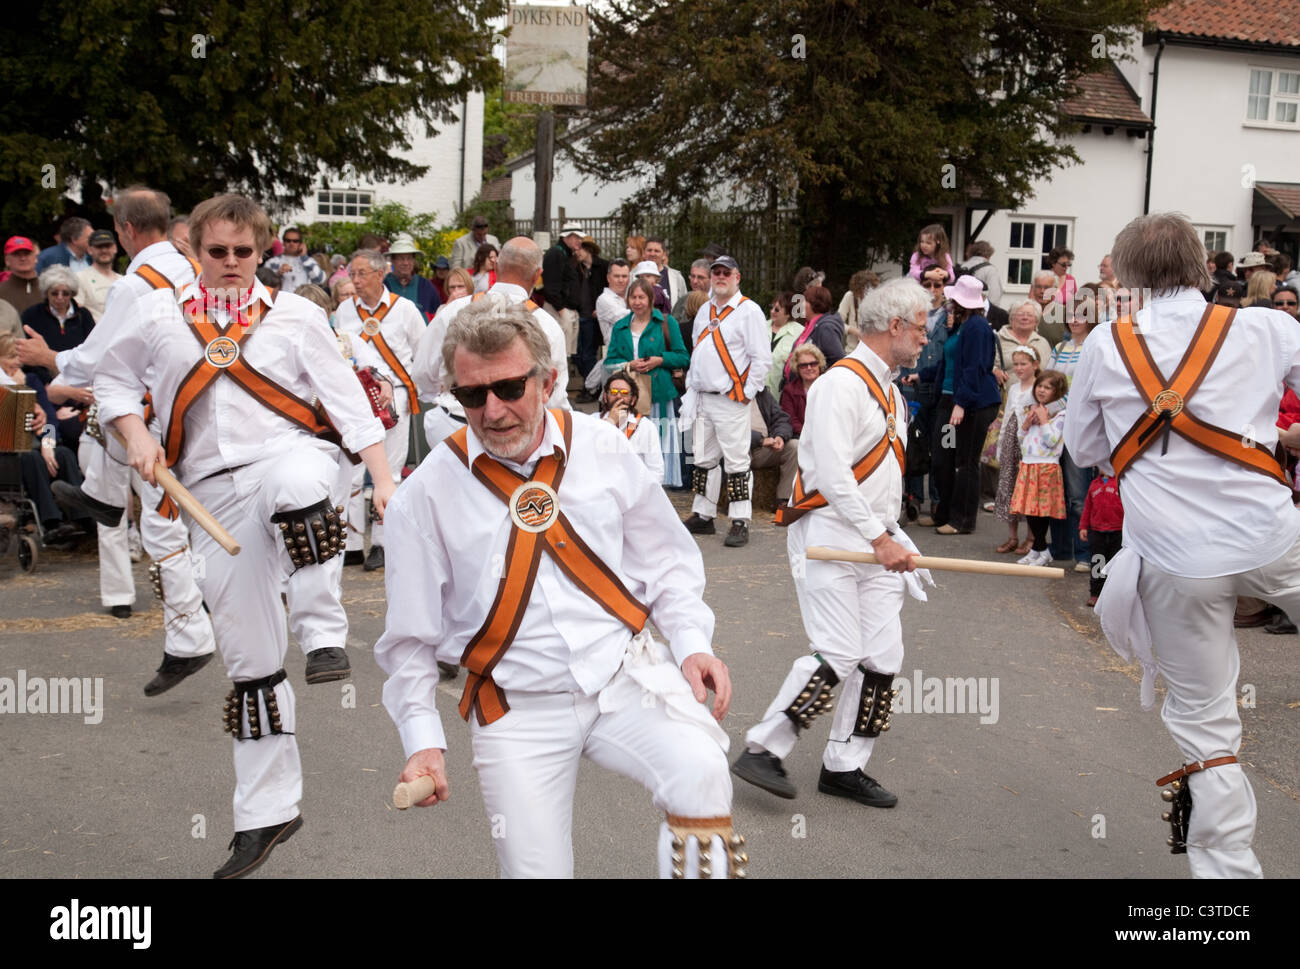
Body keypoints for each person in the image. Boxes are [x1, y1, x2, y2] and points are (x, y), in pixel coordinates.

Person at [375, 298, 743, 879]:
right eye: (472, 395)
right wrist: (422, 740)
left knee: (701, 771)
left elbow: (668, 561)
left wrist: (693, 642)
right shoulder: (423, 497)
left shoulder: (604, 448)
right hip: (516, 706)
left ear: (548, 381)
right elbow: (410, 640)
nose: (492, 411)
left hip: (624, 678)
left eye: (509, 388)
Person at [94, 193, 394, 878]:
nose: (231, 263)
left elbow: (347, 403)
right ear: (194, 250)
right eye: (217, 251)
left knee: (297, 484)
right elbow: (110, 381)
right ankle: (267, 812)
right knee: (251, 663)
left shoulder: (296, 315)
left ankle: (322, 631)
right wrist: (135, 432)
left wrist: (382, 478)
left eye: (244, 251)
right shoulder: (157, 313)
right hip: (210, 494)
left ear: (262, 252)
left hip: (290, 459)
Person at [1064, 211, 1300, 878]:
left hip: (1177, 555)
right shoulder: (1267, 325)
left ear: (1130, 277)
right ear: (1202, 266)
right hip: (1272, 533)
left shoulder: (1109, 345)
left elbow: (1083, 450)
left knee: (1206, 722)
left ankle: (1229, 885)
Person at [734, 276, 933, 807]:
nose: (925, 338)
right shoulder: (838, 385)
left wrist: (894, 535)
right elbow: (829, 473)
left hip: (876, 541)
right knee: (841, 650)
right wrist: (876, 536)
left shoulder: (893, 392)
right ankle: (763, 748)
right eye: (920, 328)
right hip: (829, 534)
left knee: (884, 658)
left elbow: (881, 482)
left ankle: (844, 766)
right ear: (894, 326)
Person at [413, 237, 570, 452]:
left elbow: (422, 373)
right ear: (537, 275)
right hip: (509, 431)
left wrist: (450, 398)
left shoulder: (452, 310)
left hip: (449, 425)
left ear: (496, 265)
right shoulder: (548, 325)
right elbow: (553, 397)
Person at [335, 248, 427, 570]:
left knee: (389, 470)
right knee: (353, 471)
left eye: (361, 274)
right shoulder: (345, 310)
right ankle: (349, 544)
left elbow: (423, 352)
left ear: (379, 274)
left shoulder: (406, 310)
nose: (356, 281)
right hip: (353, 399)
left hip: (394, 399)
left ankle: (383, 543)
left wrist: (403, 387)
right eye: (352, 275)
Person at [680, 255, 772, 548]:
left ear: (737, 277)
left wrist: (746, 393)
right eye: (716, 272)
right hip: (704, 397)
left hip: (730, 398)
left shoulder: (750, 311)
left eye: (725, 273)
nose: (720, 277)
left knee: (736, 461)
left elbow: (761, 359)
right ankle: (704, 515)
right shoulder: (705, 310)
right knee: (704, 459)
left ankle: (740, 520)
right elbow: (698, 350)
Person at [933, 275, 1001, 535]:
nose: (949, 302)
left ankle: (962, 520)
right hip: (951, 399)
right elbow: (950, 363)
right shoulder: (961, 326)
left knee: (965, 462)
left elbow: (975, 368)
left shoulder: (978, 328)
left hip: (972, 404)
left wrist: (961, 403)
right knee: (943, 458)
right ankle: (945, 514)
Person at [604, 279, 689, 487]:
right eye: (633, 297)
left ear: (651, 300)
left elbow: (683, 356)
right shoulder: (621, 326)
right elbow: (608, 362)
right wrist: (628, 364)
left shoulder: (666, 323)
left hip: (658, 391)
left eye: (642, 297)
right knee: (632, 437)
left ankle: (659, 483)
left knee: (657, 437)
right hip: (629, 391)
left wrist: (660, 360)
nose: (637, 302)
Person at [1009, 370, 1069, 565]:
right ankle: (1036, 549)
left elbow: (1052, 440)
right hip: (1029, 463)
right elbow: (1021, 439)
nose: (1042, 390)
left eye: (1047, 387)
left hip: (1046, 466)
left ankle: (1043, 549)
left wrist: (1043, 420)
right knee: (1030, 510)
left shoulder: (1060, 414)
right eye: (1040, 386)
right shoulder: (1033, 410)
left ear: (1057, 391)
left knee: (1041, 512)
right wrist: (1025, 425)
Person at [993, 346, 1040, 555]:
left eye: (1024, 364)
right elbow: (1006, 419)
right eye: (1016, 365)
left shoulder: (1037, 389)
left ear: (1035, 365)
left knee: (1028, 490)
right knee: (1008, 487)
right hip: (1011, 443)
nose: (1019, 368)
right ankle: (1012, 535)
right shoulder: (1013, 388)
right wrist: (1001, 445)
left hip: (1028, 446)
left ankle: (1032, 536)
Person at [599, 369, 663, 479]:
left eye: (624, 393)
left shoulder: (646, 427)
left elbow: (656, 470)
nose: (618, 396)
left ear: (633, 400)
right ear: (605, 397)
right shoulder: (593, 421)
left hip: (634, 490)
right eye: (613, 392)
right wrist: (610, 421)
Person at [1080, 472, 1123, 607]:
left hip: (1118, 530)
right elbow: (1087, 507)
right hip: (1097, 531)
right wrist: (1083, 526)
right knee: (1098, 562)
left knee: (1115, 565)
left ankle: (1113, 596)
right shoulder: (1094, 485)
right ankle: (1095, 594)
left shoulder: (1120, 482)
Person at [783, 285, 844, 381]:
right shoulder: (810, 325)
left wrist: (815, 377)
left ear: (814, 304)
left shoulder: (826, 328)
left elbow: (838, 360)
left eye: (804, 301)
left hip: (811, 389)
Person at [541, 223, 583, 359]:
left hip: (567, 310)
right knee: (558, 355)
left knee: (566, 355)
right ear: (566, 237)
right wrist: (561, 310)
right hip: (557, 310)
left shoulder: (566, 254)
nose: (580, 241)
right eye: (576, 237)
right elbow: (550, 286)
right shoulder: (555, 254)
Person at [994, 301, 1053, 384]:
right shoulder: (997, 339)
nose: (1025, 318)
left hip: (1036, 395)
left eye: (1029, 315)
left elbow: (1050, 371)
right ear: (1011, 319)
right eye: (1020, 314)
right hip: (1005, 395)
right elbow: (984, 365)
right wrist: (994, 371)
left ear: (1036, 321)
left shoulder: (1042, 343)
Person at [383, 234, 440, 319]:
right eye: (401, 258)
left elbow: (437, 314)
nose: (406, 263)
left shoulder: (425, 286)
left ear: (413, 260)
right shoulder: (383, 286)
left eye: (409, 258)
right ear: (392, 261)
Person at [780, 343, 825, 437]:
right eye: (803, 365)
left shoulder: (830, 386)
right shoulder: (789, 391)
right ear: (797, 368)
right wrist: (810, 435)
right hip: (801, 438)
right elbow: (791, 419)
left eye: (813, 364)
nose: (809, 368)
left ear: (819, 364)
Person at [75, 230, 122, 321]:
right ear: (90, 250)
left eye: (108, 246)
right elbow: (77, 311)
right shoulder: (80, 278)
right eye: (99, 247)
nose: (104, 250)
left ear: (115, 248)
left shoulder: (123, 280)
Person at [263, 226, 326, 292]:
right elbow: (264, 283)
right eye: (288, 240)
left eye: (295, 241)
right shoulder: (272, 262)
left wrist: (304, 257)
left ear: (300, 243)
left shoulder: (308, 261)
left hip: (302, 299)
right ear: (283, 242)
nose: (291, 243)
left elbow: (320, 280)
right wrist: (277, 274)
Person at [767, 291, 800, 397]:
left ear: (788, 313)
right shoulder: (759, 326)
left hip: (782, 395)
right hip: (757, 393)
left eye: (777, 309)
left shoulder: (800, 332)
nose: (772, 311)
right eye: (771, 307)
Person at [0, 237, 42, 314]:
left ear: (35, 258)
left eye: (27, 253)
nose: (23, 258)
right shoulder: (1, 291)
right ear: (7, 260)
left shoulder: (50, 289)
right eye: (16, 254)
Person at [643, 237, 686, 311]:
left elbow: (684, 305)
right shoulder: (633, 276)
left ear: (664, 254)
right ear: (643, 253)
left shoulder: (676, 277)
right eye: (649, 250)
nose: (652, 254)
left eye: (657, 251)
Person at [959, 240, 1002, 306]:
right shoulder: (990, 270)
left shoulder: (962, 267)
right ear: (988, 255)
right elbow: (994, 296)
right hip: (979, 311)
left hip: (961, 309)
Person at [1029, 272, 1066, 345]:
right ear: (1033, 289)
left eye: (1047, 288)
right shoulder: (1022, 312)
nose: (1042, 291)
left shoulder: (1064, 314)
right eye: (1038, 287)